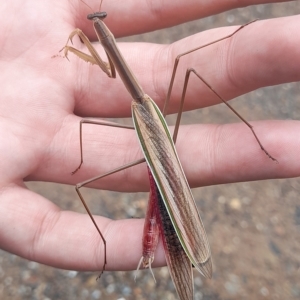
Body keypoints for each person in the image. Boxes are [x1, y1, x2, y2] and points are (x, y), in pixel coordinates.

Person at [0, 0, 299, 273]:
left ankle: (185, 244)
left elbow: (109, 71)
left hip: (149, 119)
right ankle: (183, 247)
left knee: (83, 180)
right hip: (148, 118)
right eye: (97, 20)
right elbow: (111, 70)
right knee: (186, 66)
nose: (97, 21)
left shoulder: (100, 49)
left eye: (98, 21)